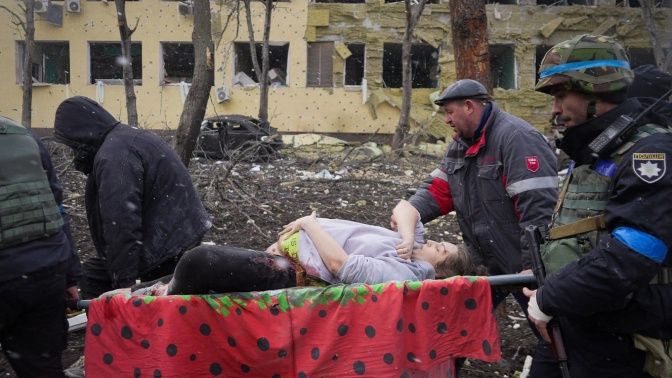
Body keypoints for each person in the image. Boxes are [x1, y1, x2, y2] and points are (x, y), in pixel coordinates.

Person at [524, 34, 672, 377]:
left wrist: (550, 298)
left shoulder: (650, 153)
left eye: (561, 95)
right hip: (576, 321)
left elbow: (634, 253)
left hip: (626, 342)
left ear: (595, 90)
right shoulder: (595, 150)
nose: (555, 109)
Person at [390, 79, 560, 376]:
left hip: (525, 268)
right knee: (450, 333)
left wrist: (533, 268)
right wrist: (412, 210)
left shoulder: (517, 138)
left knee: (552, 332)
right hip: (482, 266)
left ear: (469, 107)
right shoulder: (459, 147)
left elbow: (538, 213)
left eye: (449, 112)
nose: (446, 120)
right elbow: (439, 190)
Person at [53, 96, 212, 300]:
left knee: (154, 303)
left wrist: (123, 284)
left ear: (80, 134)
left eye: (72, 145)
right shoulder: (122, 139)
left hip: (167, 242)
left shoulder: (115, 155)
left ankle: (121, 328)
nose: (74, 152)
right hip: (175, 231)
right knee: (93, 274)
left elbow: (121, 221)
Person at [111, 211, 486, 297]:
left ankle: (152, 301)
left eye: (442, 249)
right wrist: (407, 235)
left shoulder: (407, 273)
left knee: (199, 262)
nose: (435, 242)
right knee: (192, 264)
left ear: (438, 268)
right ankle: (128, 296)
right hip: (287, 253)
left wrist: (309, 225)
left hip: (293, 272)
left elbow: (344, 266)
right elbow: (408, 208)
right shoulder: (410, 247)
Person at [0, 115, 82, 377]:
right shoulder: (21, 134)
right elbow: (57, 208)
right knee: (42, 368)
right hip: (46, 272)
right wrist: (70, 277)